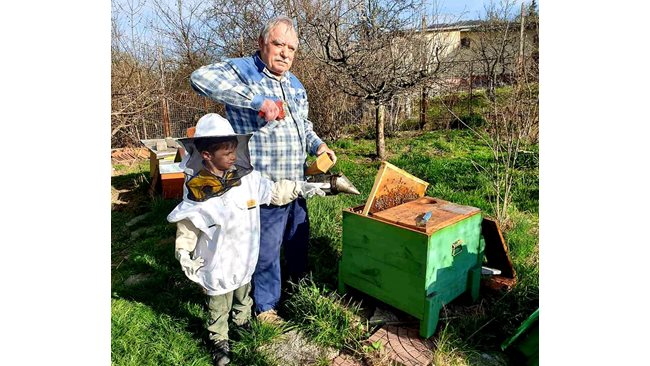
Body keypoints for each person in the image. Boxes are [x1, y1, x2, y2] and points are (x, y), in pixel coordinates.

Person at [189, 15, 337, 323]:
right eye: (279, 44)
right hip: (262, 186)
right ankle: (266, 308)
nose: (285, 53)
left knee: (298, 240)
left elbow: (303, 125)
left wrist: (318, 146)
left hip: (295, 182)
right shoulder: (243, 71)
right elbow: (200, 78)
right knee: (266, 251)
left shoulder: (295, 84)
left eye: (292, 48)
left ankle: (299, 288)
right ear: (262, 43)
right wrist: (257, 100)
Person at [167, 113, 325, 366]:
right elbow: (188, 224)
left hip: (244, 256)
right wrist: (183, 252)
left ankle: (243, 325)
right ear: (206, 155)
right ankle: (219, 339)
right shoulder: (198, 188)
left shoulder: (246, 178)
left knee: (244, 295)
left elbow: (271, 192)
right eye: (226, 152)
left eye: (234, 150)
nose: (232, 156)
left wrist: (299, 188)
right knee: (219, 302)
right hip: (216, 260)